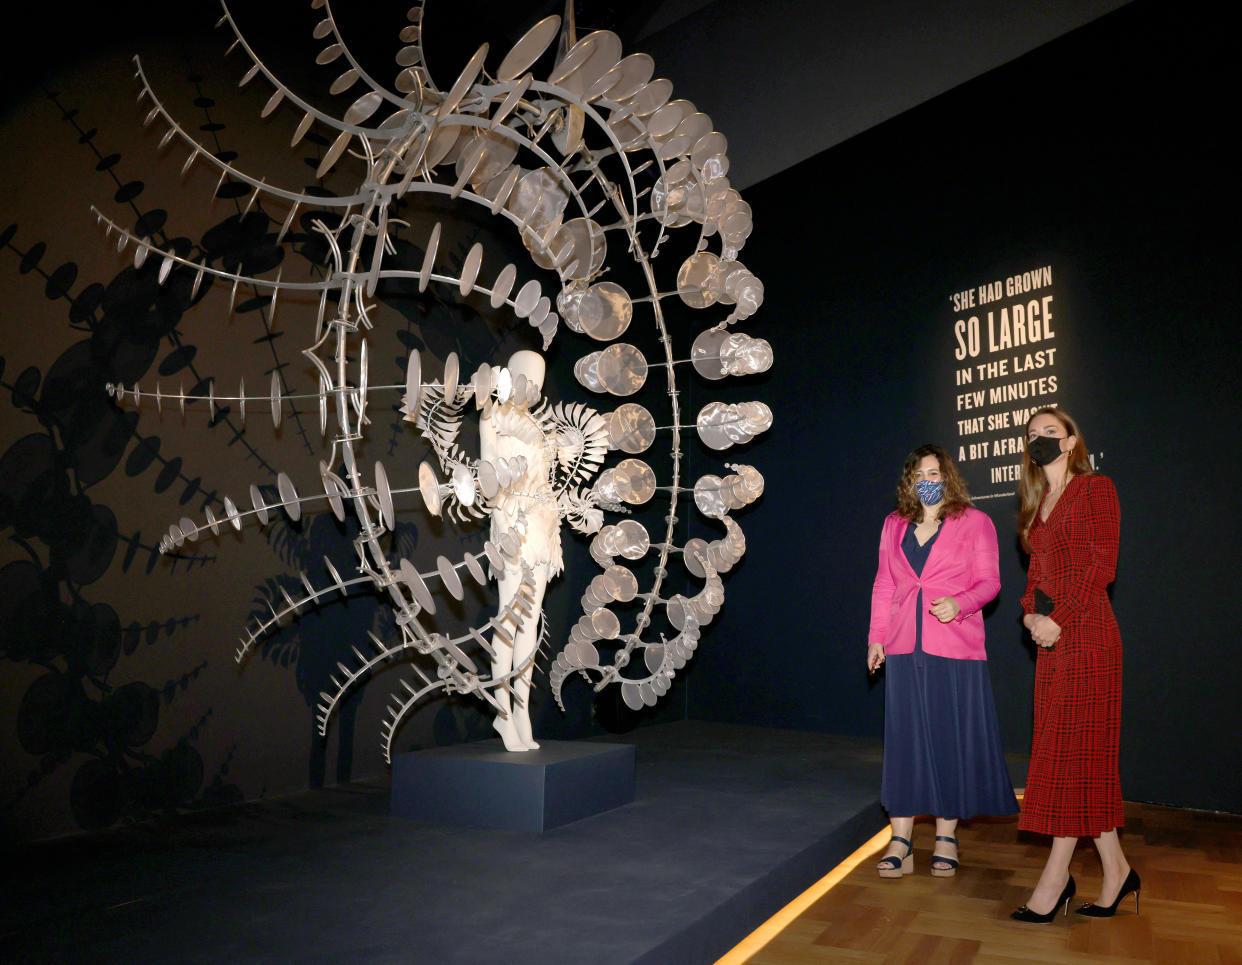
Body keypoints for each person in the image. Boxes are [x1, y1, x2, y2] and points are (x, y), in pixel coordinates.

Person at [1011, 407, 1139, 922]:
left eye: (1049, 432)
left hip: (1089, 638)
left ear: (1069, 442)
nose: (1038, 439)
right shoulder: (1035, 507)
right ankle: (1118, 871)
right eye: (1031, 434)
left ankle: (1055, 878)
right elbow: (1033, 581)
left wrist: (1057, 619)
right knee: (1077, 758)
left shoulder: (1095, 489)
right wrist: (1028, 618)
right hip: (1050, 643)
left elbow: (1100, 566)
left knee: (1069, 756)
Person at [867, 444, 1017, 878]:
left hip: (954, 647)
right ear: (909, 482)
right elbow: (883, 584)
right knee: (904, 743)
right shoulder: (893, 524)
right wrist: (876, 638)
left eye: (934, 473)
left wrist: (962, 603)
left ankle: (947, 836)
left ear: (948, 477)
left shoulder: (976, 522)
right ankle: (901, 838)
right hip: (901, 647)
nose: (927, 481)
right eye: (919, 475)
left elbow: (990, 583)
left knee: (949, 741)